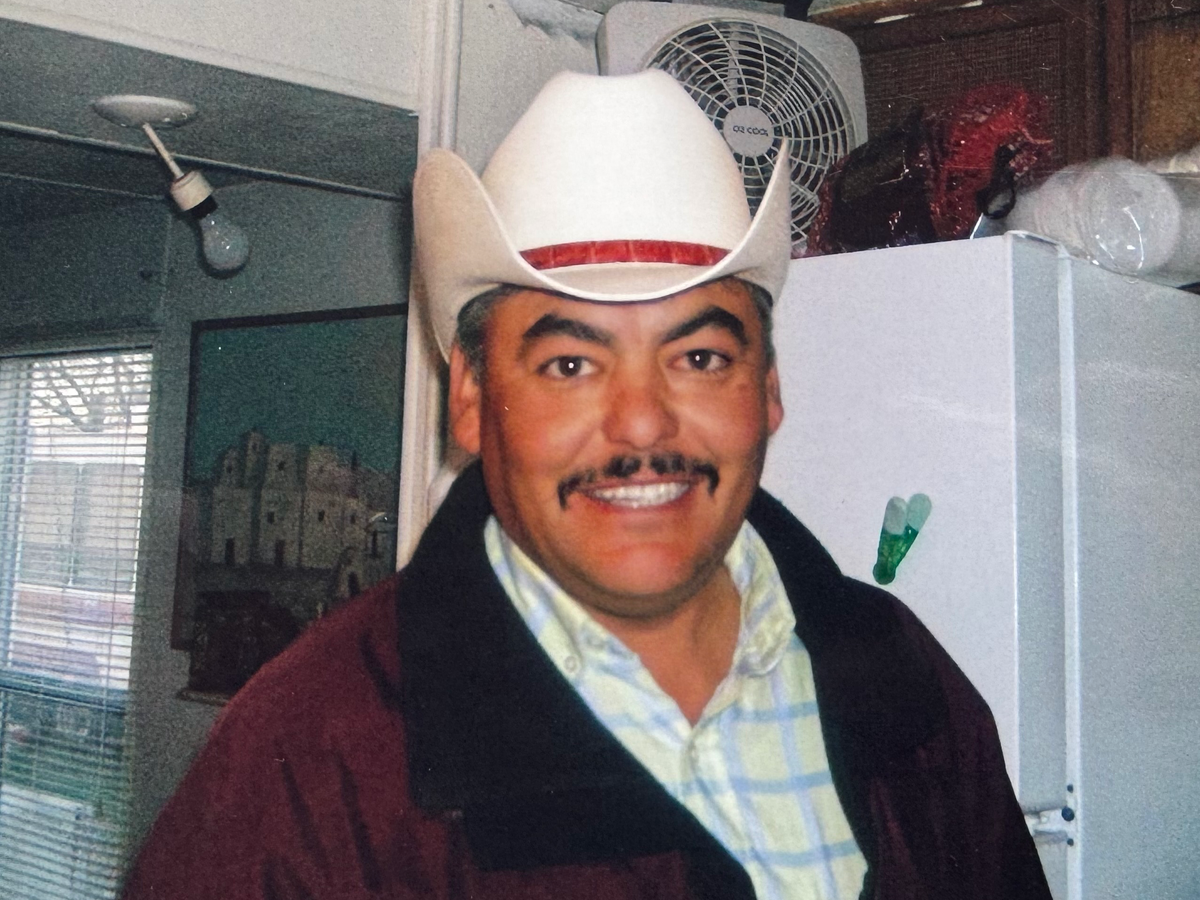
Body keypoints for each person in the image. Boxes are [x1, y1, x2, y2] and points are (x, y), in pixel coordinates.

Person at [121, 71, 1051, 900]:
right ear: (472, 399)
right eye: (570, 364)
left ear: (768, 389)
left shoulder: (897, 675)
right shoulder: (312, 757)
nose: (642, 424)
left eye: (698, 356)